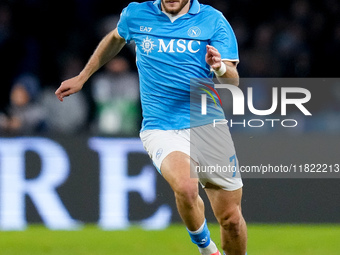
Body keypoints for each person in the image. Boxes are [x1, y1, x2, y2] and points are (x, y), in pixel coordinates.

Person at [55, 0, 247, 254]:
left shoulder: (213, 20)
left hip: (207, 124)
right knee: (185, 186)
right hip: (162, 127)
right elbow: (115, 38)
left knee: (231, 220)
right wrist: (83, 76)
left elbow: (232, 81)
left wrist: (220, 67)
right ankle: (206, 248)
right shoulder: (137, 13)